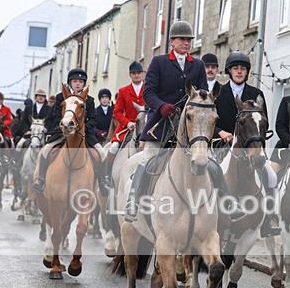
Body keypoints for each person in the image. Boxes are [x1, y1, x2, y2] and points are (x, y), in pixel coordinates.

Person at [126, 20, 243, 222]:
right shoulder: (159, 62)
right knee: (147, 159)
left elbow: (203, 94)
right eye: (182, 39)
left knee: (210, 161)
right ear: (172, 41)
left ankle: (228, 203)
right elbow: (149, 92)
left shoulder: (197, 65)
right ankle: (133, 201)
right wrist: (162, 106)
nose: (186, 43)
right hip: (161, 124)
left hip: (191, 126)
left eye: (189, 40)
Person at [215, 50, 279, 237]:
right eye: (235, 68)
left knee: (271, 177)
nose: (239, 71)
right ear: (229, 71)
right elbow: (212, 120)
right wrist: (221, 131)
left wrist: (260, 148)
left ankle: (268, 219)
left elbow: (263, 122)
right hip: (223, 145)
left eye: (243, 68)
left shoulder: (256, 94)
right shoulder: (220, 93)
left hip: (251, 147)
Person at [32, 67, 109, 196]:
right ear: (70, 82)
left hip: (82, 134)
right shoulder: (60, 97)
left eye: (80, 81)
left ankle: (103, 182)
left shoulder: (89, 100)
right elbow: (56, 116)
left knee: (101, 152)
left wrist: (83, 129)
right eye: (75, 81)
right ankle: (41, 179)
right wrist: (63, 127)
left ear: (84, 83)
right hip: (63, 132)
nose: (78, 83)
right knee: (46, 150)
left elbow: (93, 119)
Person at [104, 61, 145, 189]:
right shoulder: (123, 91)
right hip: (127, 126)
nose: (137, 75)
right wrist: (127, 123)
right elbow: (117, 112)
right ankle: (107, 176)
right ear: (130, 75)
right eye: (134, 73)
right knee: (114, 147)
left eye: (139, 73)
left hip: (145, 125)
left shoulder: (149, 89)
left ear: (142, 74)